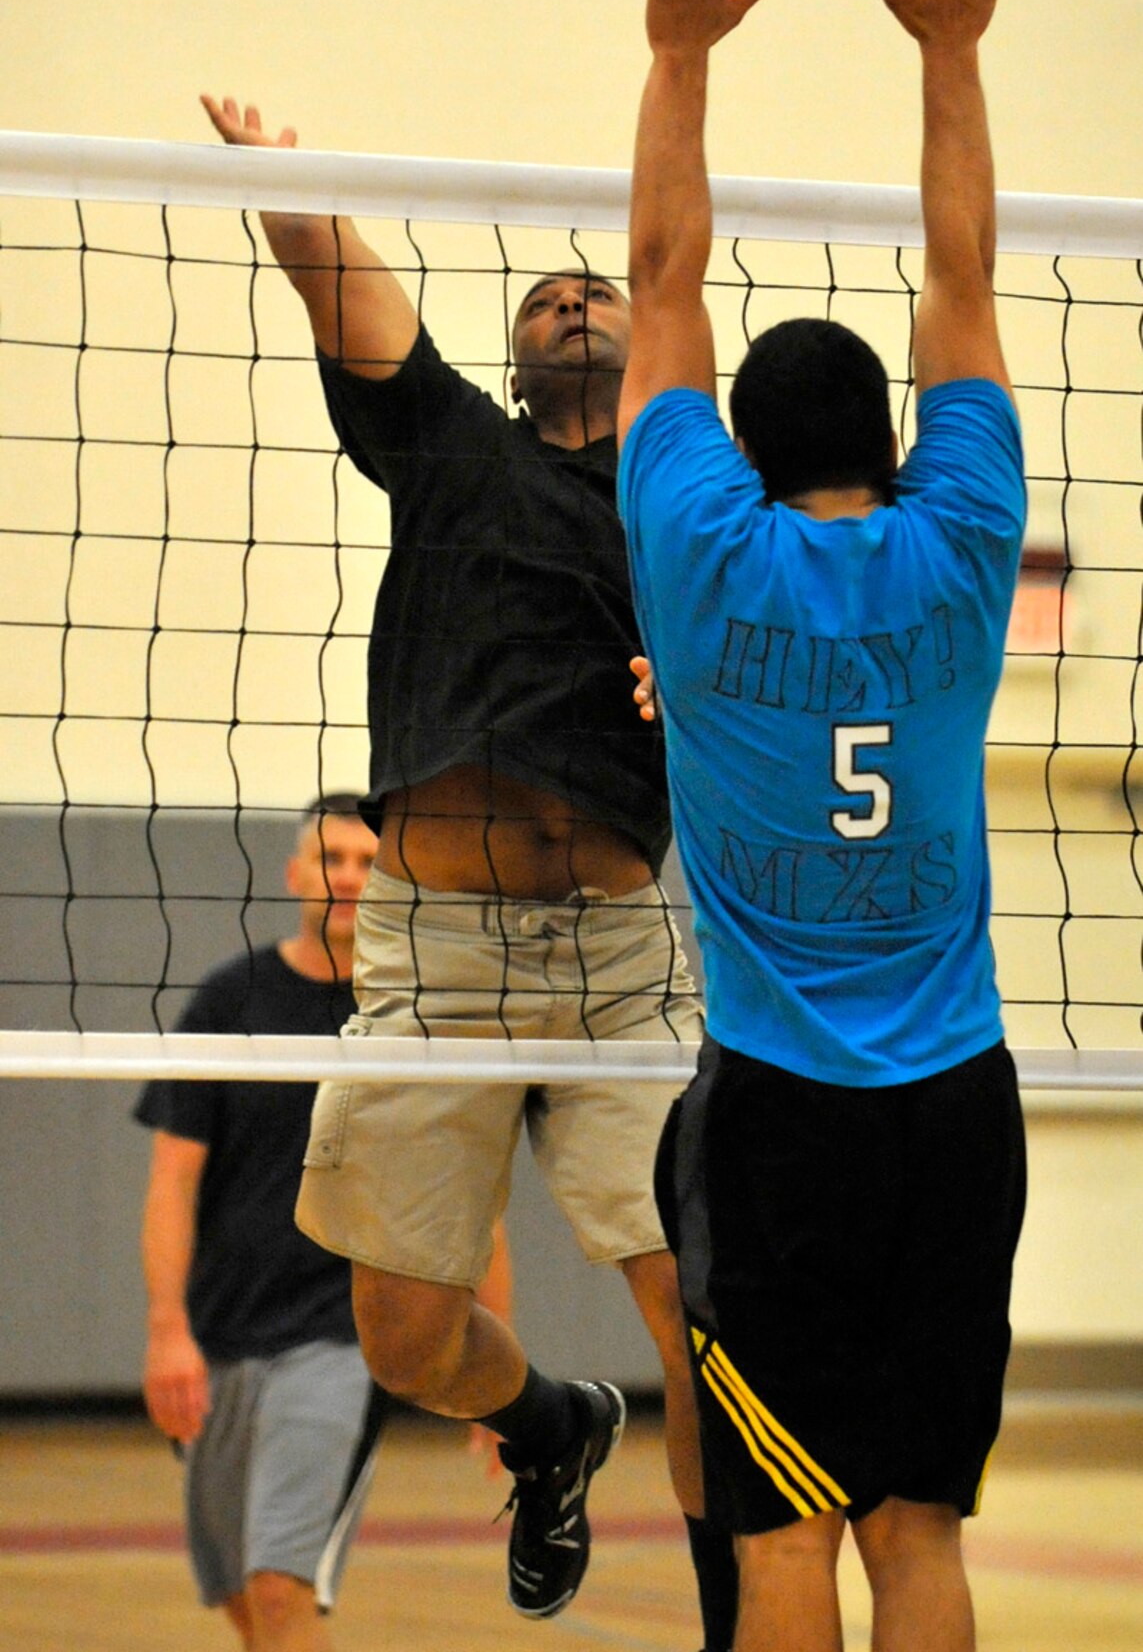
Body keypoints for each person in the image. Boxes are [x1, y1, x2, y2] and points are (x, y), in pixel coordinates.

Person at [196, 93, 731, 1647]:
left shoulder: (686, 510)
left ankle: (723, 1624)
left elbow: (777, 670)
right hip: (436, 954)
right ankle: (551, 1427)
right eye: (543, 299)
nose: (571, 296)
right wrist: (286, 183)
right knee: (406, 1339)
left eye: (599, 292)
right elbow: (330, 274)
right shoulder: (445, 444)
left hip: (622, 952)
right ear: (513, 361)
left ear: (647, 348)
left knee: (704, 1326)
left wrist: (688, 683)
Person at [616, 0, 1027, 1652]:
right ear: (892, 438)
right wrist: (949, 52)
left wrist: (676, 59)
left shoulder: (695, 559)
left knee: (776, 1548)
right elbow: (960, 275)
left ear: (742, 452)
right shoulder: (968, 540)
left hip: (778, 1119)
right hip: (957, 1113)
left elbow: (656, 280)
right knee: (915, 1535)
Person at [136, 794, 512, 1651]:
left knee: (279, 1585)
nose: (347, 877)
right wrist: (167, 1331)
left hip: (343, 1344)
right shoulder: (229, 1002)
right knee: (236, 1588)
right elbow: (171, 1181)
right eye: (331, 859)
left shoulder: (418, 1013)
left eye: (367, 861)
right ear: (296, 874)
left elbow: (471, 1205)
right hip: (223, 1332)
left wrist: (494, 1375)